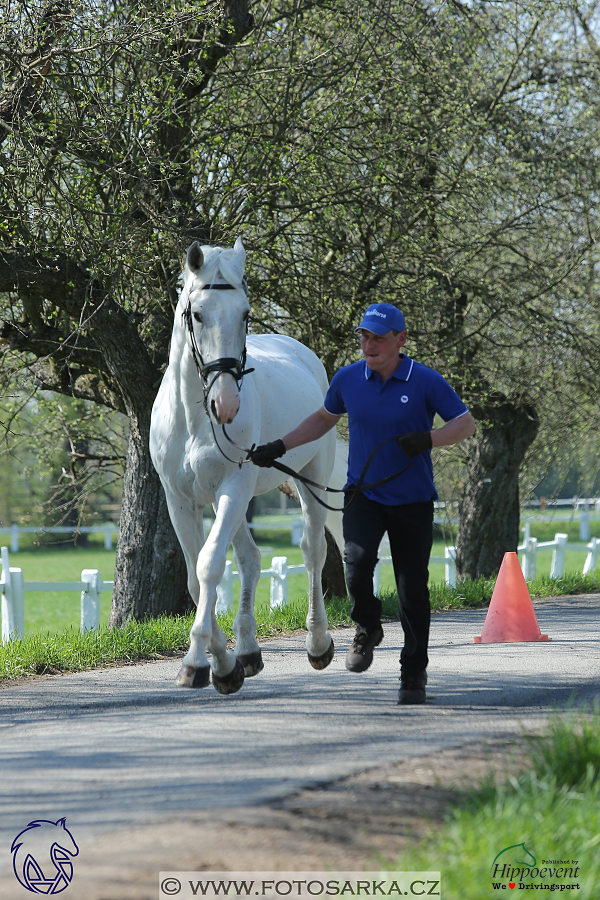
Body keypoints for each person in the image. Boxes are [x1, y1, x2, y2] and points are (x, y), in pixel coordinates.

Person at [251, 302, 476, 704]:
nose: (369, 345)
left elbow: (465, 423)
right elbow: (322, 419)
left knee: (412, 591)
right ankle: (368, 627)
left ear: (400, 340)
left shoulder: (423, 380)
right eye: (364, 337)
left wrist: (428, 439)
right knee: (355, 565)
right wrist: (280, 446)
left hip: (412, 500)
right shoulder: (349, 379)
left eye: (379, 338)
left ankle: (413, 675)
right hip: (363, 495)